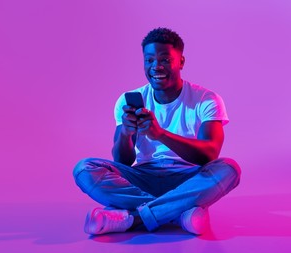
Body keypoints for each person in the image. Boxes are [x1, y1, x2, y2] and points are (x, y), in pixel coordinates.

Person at [73, 27, 241, 235]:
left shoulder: (206, 100)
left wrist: (161, 134)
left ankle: (132, 218)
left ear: (181, 62)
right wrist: (126, 133)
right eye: (149, 60)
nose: (156, 67)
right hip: (143, 177)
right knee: (84, 169)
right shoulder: (128, 99)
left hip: (188, 178)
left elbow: (209, 154)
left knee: (229, 168)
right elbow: (122, 162)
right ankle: (179, 213)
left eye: (164, 59)